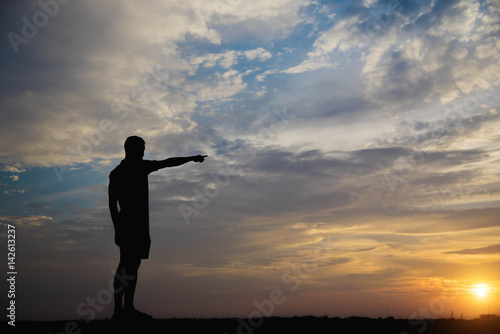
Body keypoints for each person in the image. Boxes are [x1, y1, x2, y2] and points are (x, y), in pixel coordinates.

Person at [108, 135, 207, 320]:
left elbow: (168, 163)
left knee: (132, 265)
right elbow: (112, 204)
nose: (144, 151)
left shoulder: (134, 168)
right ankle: (119, 311)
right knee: (125, 265)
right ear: (133, 149)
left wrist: (191, 158)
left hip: (137, 225)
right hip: (129, 225)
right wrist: (118, 228)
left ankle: (126, 309)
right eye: (142, 148)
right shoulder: (122, 172)